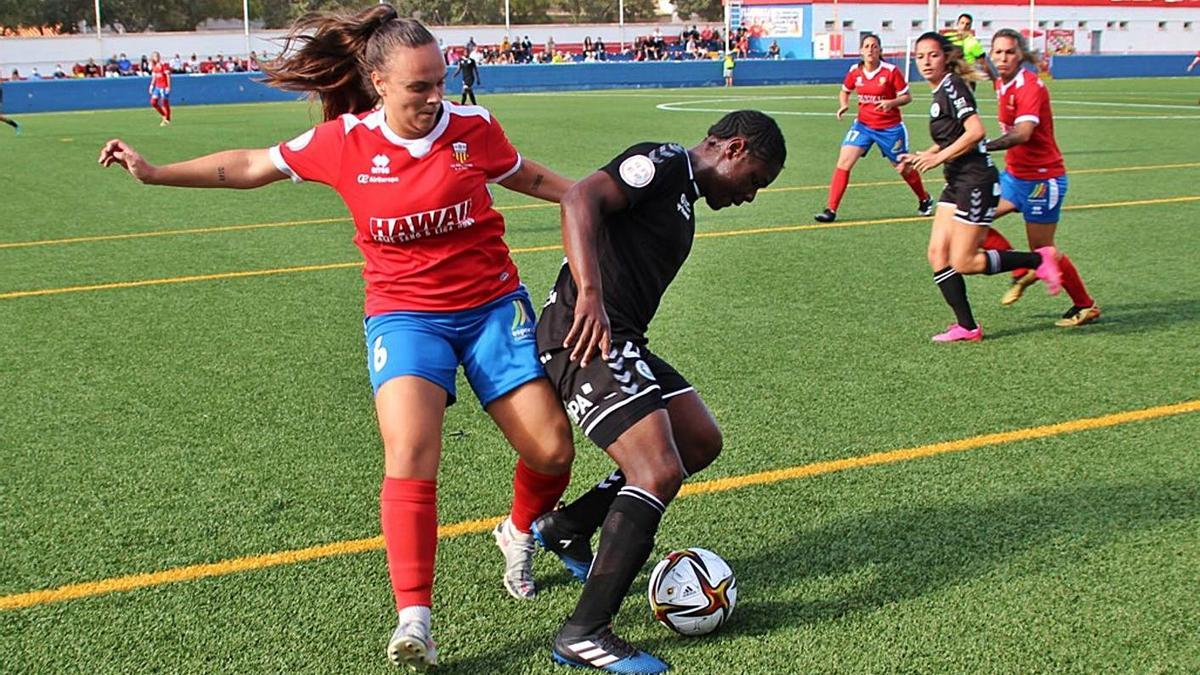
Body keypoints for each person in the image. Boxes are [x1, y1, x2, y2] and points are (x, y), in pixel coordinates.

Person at [98, 7, 579, 670]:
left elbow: (526, 175)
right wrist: (155, 172)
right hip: (406, 314)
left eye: (440, 81)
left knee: (552, 449)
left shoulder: (474, 129)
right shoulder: (345, 142)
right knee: (410, 448)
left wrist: (593, 199)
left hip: (493, 305)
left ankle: (518, 531)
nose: (436, 96)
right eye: (419, 87)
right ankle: (416, 618)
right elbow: (246, 164)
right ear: (377, 82)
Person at [533, 110, 786, 672]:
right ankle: (584, 630)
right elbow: (579, 199)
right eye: (754, 181)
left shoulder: (684, 196)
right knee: (657, 471)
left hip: (623, 343)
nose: (750, 196)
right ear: (734, 148)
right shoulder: (664, 163)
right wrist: (591, 294)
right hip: (584, 336)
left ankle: (568, 527)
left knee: (697, 441)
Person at [899, 32, 1061, 342]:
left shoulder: (953, 87)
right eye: (920, 57)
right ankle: (968, 327)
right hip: (957, 179)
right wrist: (926, 154)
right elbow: (950, 136)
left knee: (964, 261)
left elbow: (976, 131)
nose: (926, 62)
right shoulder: (941, 90)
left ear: (946, 56)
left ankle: (1039, 260)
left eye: (932, 55)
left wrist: (939, 158)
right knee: (937, 254)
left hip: (976, 181)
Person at [980, 29, 1100, 327]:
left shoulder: (1029, 86)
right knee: (973, 220)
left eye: (1009, 52)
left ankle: (1085, 306)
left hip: (1042, 181)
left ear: (1020, 54)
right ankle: (1020, 270)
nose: (1003, 57)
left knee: (1044, 252)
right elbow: (984, 68)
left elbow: (1023, 134)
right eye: (998, 52)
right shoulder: (1000, 82)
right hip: (1015, 177)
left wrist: (982, 146)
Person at [814, 33, 932, 223]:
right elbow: (845, 90)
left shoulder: (891, 71)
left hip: (890, 128)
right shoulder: (855, 71)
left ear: (880, 51)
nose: (870, 49)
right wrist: (843, 105)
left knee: (903, 168)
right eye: (867, 46)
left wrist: (891, 103)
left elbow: (907, 97)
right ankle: (831, 210)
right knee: (844, 161)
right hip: (863, 126)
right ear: (861, 51)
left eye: (874, 46)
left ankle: (924, 199)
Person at [947, 13, 990, 89]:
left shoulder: (973, 42)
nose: (964, 26)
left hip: (967, 78)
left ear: (970, 26)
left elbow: (983, 61)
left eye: (967, 24)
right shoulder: (949, 38)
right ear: (957, 24)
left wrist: (990, 76)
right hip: (951, 76)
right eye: (962, 23)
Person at [148, 51, 172, 126]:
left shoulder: (163, 65)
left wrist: (168, 86)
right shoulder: (154, 67)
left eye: (157, 56)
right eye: (155, 56)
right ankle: (163, 115)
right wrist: (151, 85)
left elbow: (168, 76)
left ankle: (167, 119)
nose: (156, 58)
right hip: (157, 87)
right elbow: (154, 77)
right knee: (153, 102)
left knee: (164, 102)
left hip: (164, 87)